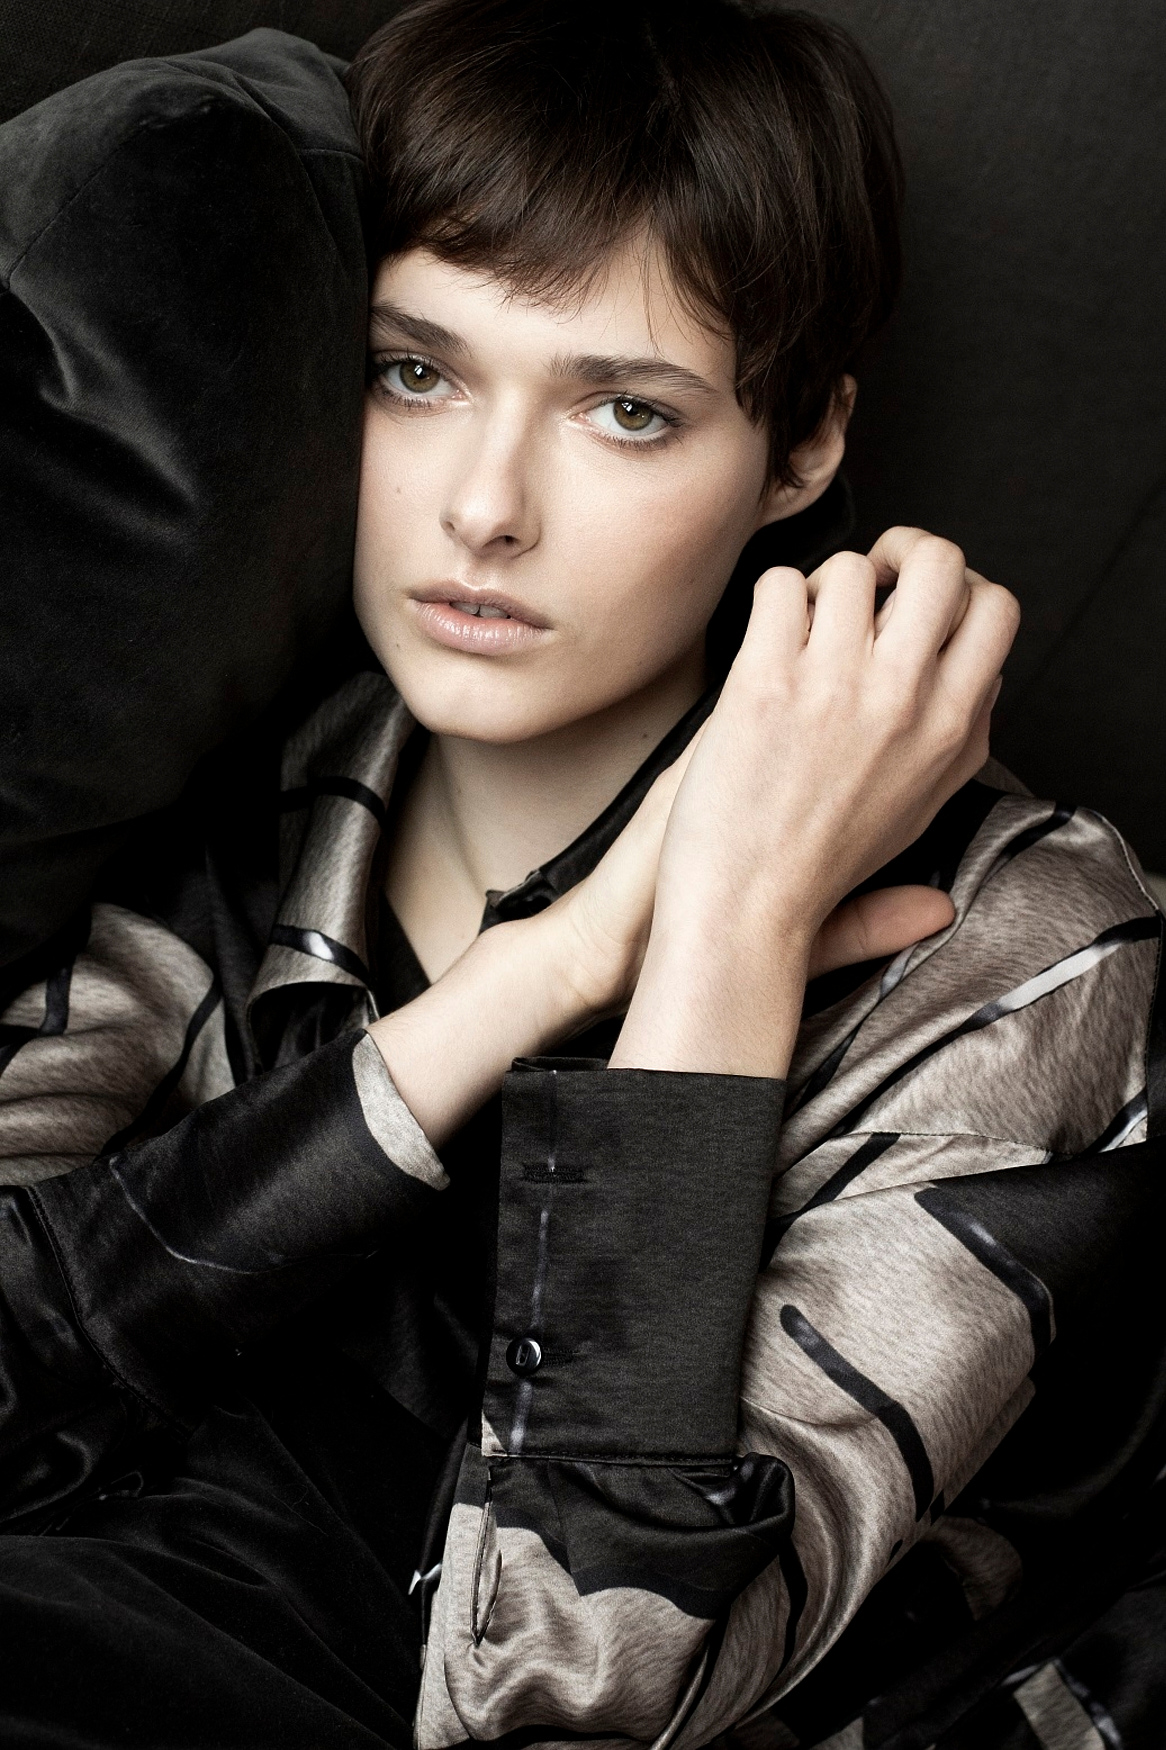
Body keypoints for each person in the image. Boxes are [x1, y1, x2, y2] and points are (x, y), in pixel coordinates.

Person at [0, 2, 1162, 1747]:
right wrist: (533, 976)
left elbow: (569, 1689)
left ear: (799, 447)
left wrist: (726, 939)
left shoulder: (1020, 942)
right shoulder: (266, 769)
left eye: (625, 410)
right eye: (416, 372)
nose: (485, 507)